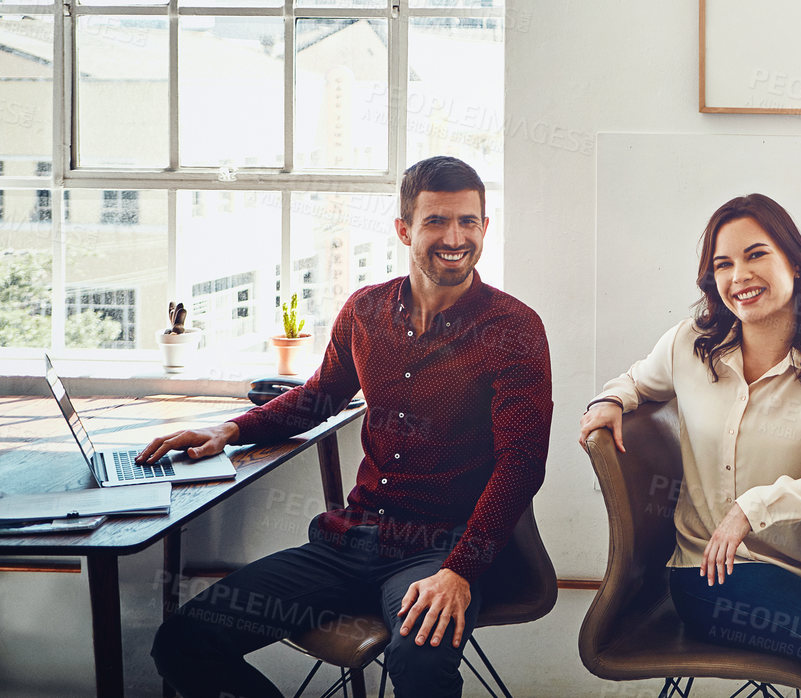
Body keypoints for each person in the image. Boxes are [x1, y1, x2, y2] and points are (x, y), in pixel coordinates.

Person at [148, 156, 553, 698]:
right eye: (436, 221)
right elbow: (318, 398)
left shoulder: (514, 329)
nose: (455, 237)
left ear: (485, 227)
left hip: (440, 550)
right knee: (183, 640)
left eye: (469, 221)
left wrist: (459, 570)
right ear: (404, 229)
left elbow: (521, 464)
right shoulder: (364, 311)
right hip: (348, 543)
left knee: (420, 664)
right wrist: (230, 430)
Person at [578, 193, 801, 698]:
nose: (739, 276)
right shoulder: (690, 343)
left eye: (756, 255)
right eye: (723, 264)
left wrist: (759, 505)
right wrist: (609, 400)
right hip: (711, 573)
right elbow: (638, 380)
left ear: (794, 260)